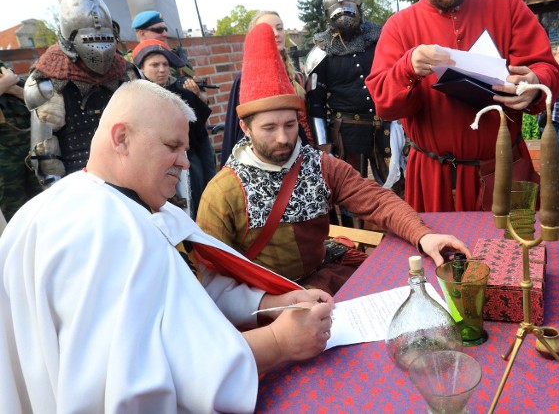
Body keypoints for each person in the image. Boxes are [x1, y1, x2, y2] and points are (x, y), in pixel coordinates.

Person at [0, 79, 334, 413]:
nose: (186, 162)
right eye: (172, 146)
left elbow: (192, 286)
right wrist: (277, 342)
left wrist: (269, 302)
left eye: (185, 149)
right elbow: (133, 386)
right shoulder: (96, 233)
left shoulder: (136, 205)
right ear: (121, 138)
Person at [197, 23, 471, 295]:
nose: (283, 138)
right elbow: (211, 277)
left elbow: (376, 200)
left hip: (324, 276)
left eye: (290, 125)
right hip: (267, 298)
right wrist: (265, 308)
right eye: (269, 128)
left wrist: (423, 235)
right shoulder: (222, 192)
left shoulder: (319, 164)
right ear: (246, 128)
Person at [365, 0, 559, 213]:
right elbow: (384, 103)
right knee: (441, 246)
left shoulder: (506, 4)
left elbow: (546, 69)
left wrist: (534, 83)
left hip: (506, 168)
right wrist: (407, 68)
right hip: (436, 178)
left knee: (517, 246)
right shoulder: (399, 26)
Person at [24, 0, 138, 189]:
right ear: (70, 39)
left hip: (130, 173)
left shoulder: (127, 72)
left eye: (103, 39)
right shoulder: (47, 82)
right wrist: (61, 195)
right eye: (89, 40)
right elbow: (44, 155)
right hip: (79, 183)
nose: (100, 51)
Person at [306, 0, 397, 227]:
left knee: (395, 185)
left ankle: (398, 237)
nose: (344, 16)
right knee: (350, 194)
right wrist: (323, 145)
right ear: (328, 13)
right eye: (337, 11)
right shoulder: (321, 52)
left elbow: (396, 78)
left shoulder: (379, 39)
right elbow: (315, 103)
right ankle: (355, 250)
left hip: (384, 126)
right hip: (346, 131)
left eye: (349, 9)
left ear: (358, 7)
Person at [132, 39, 216, 218]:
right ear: (142, 67)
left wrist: (197, 95)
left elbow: (202, 140)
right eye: (155, 65)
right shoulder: (134, 98)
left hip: (189, 163)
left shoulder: (183, 93)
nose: (162, 69)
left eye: (165, 64)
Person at [220, 10, 312, 166]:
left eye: (279, 28)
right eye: (269, 29)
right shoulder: (246, 79)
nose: (276, 34)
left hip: (302, 153)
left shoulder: (295, 75)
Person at [130, 10, 207, 103]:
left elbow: (204, 99)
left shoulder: (177, 58)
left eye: (165, 29)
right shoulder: (128, 63)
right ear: (142, 33)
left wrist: (196, 94)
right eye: (158, 30)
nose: (165, 34)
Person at [0, 64, 40, 221]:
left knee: (42, 199)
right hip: (5, 159)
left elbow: (37, 98)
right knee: (15, 210)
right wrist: (5, 84)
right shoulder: (7, 77)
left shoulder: (5, 70)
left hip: (32, 148)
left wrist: (11, 87)